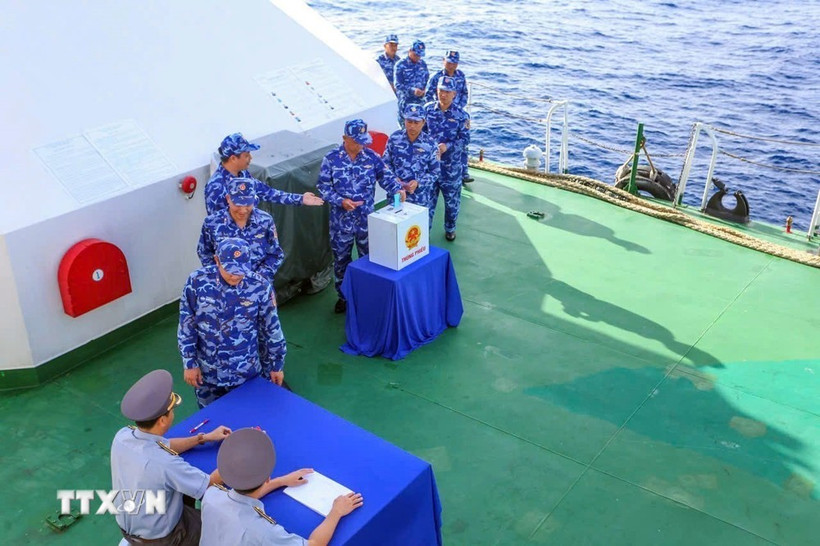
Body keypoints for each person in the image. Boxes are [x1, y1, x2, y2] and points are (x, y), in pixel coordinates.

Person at [111, 369, 231, 545]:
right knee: (225, 528)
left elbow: (164, 445)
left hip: (132, 526)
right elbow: (208, 484)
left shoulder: (122, 436)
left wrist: (203, 438)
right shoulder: (165, 463)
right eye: (172, 410)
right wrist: (238, 456)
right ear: (162, 420)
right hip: (163, 537)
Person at [200, 428, 363, 546]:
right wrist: (336, 512)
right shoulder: (264, 533)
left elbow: (242, 497)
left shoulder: (211, 494)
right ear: (267, 478)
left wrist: (280, 481)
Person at [179, 238, 288, 408]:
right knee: (212, 421)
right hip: (209, 374)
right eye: (230, 270)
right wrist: (189, 363)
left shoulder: (259, 286)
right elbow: (187, 325)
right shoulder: (196, 282)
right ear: (217, 260)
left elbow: (271, 328)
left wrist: (276, 365)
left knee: (248, 417)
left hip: (245, 372)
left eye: (241, 270)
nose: (235, 276)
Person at [316, 119, 405, 313]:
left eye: (362, 141)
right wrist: (340, 201)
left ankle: (367, 295)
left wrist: (397, 189)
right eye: (356, 141)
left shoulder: (371, 157)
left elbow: (386, 177)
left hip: (366, 220)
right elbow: (322, 187)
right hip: (341, 222)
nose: (360, 145)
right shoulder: (331, 159)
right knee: (341, 261)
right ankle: (344, 296)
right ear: (344, 138)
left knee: (369, 258)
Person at [204, 132, 324, 215]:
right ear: (233, 158)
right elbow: (217, 225)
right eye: (246, 155)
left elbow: (268, 192)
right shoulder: (216, 186)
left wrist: (300, 199)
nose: (250, 158)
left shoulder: (243, 175)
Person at [197, 178, 284, 288]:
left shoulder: (265, 221)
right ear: (228, 198)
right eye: (238, 204)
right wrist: (222, 276)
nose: (243, 210)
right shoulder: (211, 223)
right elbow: (204, 252)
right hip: (226, 288)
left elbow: (276, 254)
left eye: (247, 204)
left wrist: (260, 276)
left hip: (259, 287)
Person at [424, 76, 470, 241]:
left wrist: (446, 147)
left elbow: (465, 140)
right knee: (427, 202)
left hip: (450, 168)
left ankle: (450, 228)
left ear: (454, 94)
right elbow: (420, 134)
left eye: (447, 91)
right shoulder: (427, 110)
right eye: (441, 90)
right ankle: (424, 232)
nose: (443, 94)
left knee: (451, 202)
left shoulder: (461, 115)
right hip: (430, 167)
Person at [382, 103, 440, 219]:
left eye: (416, 122)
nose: (412, 126)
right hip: (397, 194)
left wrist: (418, 182)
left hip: (419, 197)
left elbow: (435, 172)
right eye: (409, 121)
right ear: (404, 120)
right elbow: (385, 164)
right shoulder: (394, 139)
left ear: (423, 122)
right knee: (395, 223)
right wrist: (394, 180)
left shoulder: (430, 144)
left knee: (418, 230)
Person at [424, 50, 473, 184]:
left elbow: (464, 93)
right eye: (449, 62)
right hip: (438, 113)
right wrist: (439, 105)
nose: (452, 65)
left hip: (454, 114)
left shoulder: (460, 76)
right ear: (443, 61)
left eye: (454, 63)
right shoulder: (436, 77)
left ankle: (464, 172)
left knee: (460, 145)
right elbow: (428, 94)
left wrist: (456, 107)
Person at [393, 40, 429, 127]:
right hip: (406, 102)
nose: (418, 57)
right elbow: (397, 85)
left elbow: (427, 80)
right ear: (410, 51)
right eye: (416, 54)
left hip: (420, 102)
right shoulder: (400, 65)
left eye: (420, 55)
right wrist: (412, 91)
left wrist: (425, 90)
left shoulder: (423, 64)